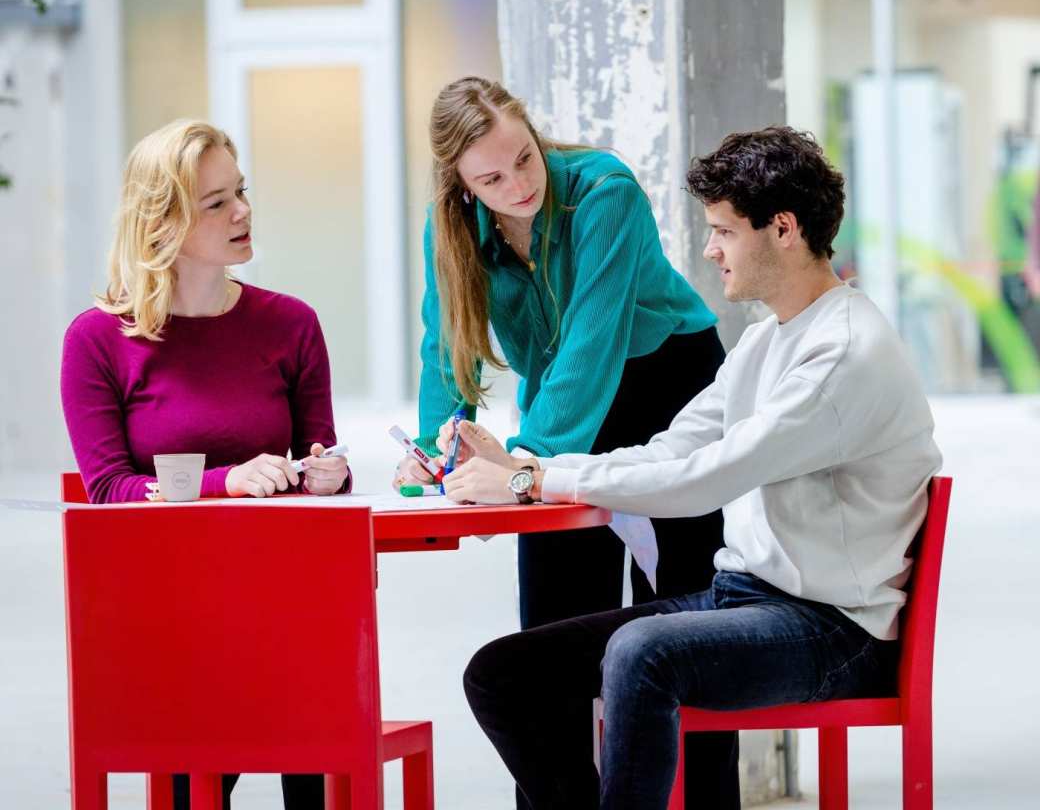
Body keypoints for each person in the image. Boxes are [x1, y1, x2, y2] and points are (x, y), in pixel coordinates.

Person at [443, 126, 942, 810]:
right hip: (747, 602)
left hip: (832, 629)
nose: (709, 251)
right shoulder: (770, 337)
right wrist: (535, 464)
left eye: (723, 232)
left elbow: (705, 480)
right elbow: (673, 449)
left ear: (784, 229)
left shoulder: (841, 355)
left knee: (642, 652)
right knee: (503, 672)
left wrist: (529, 483)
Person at [60, 119, 350, 810]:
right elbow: (109, 489)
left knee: (301, 680)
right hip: (167, 604)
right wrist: (231, 483)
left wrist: (326, 473)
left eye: (240, 192)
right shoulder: (98, 340)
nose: (243, 212)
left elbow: (321, 457)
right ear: (161, 221)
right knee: (225, 714)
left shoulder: (292, 324)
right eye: (216, 202)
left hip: (283, 598)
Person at [396, 76, 725, 629]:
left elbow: (590, 343)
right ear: (463, 183)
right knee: (555, 616)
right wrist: (438, 449)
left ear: (533, 132)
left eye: (526, 158)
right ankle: (562, 718)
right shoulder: (448, 227)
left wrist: (523, 464)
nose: (520, 184)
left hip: (668, 385)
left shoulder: (605, 192)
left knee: (677, 608)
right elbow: (447, 344)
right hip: (558, 396)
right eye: (492, 179)